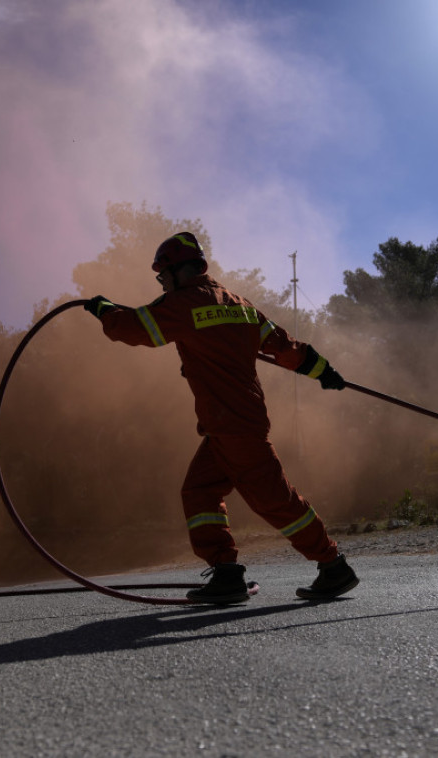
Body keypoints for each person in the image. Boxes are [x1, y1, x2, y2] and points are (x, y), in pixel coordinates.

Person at [84, 232, 358, 604]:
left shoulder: (183, 305)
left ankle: (333, 565)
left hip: (233, 426)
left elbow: (134, 328)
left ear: (181, 271)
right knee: (200, 490)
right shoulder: (240, 306)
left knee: (275, 500)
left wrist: (104, 309)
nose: (162, 283)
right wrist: (323, 371)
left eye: (163, 275)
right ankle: (227, 574)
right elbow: (285, 348)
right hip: (231, 424)